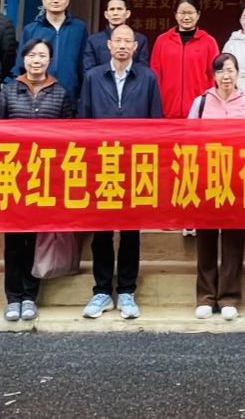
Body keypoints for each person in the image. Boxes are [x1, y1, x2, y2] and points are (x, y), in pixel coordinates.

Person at [78, 24, 162, 320]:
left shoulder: (148, 77)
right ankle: (102, 290)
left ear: (136, 47)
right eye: (118, 41)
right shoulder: (93, 76)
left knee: (130, 230)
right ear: (109, 45)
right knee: (101, 230)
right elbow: (83, 119)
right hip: (102, 162)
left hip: (134, 163)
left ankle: (126, 290)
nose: (123, 45)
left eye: (129, 41)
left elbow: (156, 122)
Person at [0, 38, 75, 322]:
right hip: (13, 175)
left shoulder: (60, 93)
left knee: (36, 238)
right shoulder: (9, 91)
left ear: (49, 61)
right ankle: (12, 297)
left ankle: (29, 295)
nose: (36, 60)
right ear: (24, 59)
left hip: (45, 176)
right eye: (31, 55)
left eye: (42, 56)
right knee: (14, 240)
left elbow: (70, 137)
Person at [188, 53, 245, 321]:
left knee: (234, 239)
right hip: (207, 177)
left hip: (236, 178)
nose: (226, 76)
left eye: (231, 70)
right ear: (213, 76)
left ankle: (229, 297)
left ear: (238, 74)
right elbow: (189, 138)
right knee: (206, 238)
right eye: (221, 71)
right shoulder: (201, 102)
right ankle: (206, 296)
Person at [11, 0, 87, 101]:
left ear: (67, 1)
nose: (56, 0)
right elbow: (21, 64)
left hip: (70, 92)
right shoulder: (31, 29)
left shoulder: (79, 28)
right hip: (36, 95)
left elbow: (83, 63)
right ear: (43, 0)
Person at [151, 0, 221, 119]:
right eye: (182, 13)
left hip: (199, 110)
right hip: (167, 109)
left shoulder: (209, 42)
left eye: (190, 13)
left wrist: (209, 104)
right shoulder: (162, 40)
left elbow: (214, 76)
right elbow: (155, 74)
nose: (186, 17)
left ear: (198, 15)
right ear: (175, 15)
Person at [82, 0, 150, 76]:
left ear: (127, 13)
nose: (115, 13)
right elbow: (89, 71)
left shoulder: (140, 39)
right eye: (112, 9)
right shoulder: (93, 40)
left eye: (119, 9)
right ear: (106, 14)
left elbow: (143, 70)